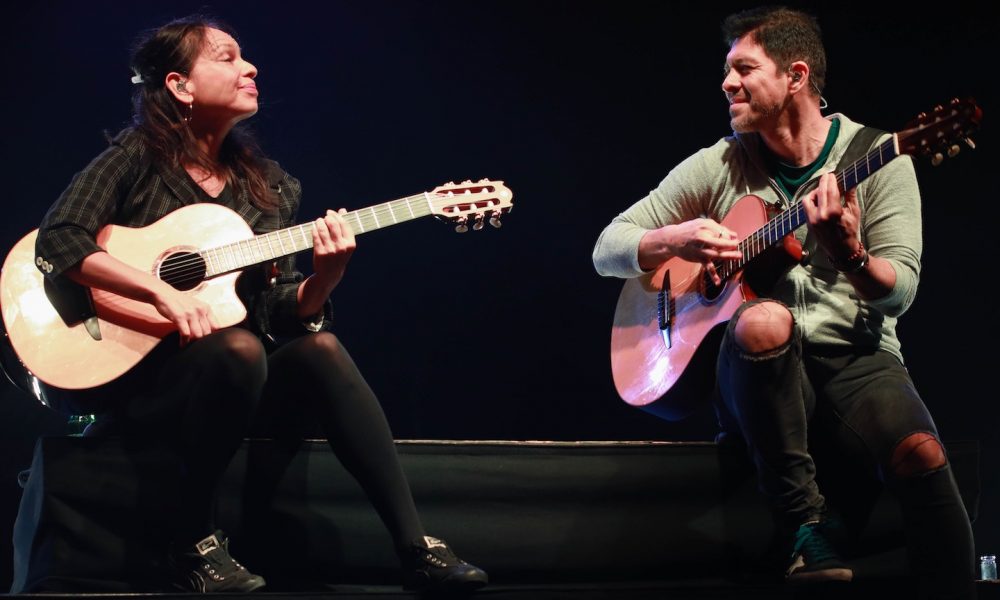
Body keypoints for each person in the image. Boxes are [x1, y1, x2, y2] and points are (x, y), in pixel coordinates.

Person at [32, 15, 488, 594]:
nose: (249, 68)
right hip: (138, 376)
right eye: (225, 57)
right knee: (240, 349)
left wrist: (327, 277)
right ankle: (192, 541)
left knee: (318, 347)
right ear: (179, 85)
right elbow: (60, 239)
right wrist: (161, 293)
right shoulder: (135, 157)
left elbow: (276, 310)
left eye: (244, 58)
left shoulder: (269, 187)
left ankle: (415, 546)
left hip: (228, 378)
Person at [592, 6, 975, 598]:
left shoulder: (881, 158)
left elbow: (898, 292)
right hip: (754, 365)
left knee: (922, 455)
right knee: (765, 321)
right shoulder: (722, 161)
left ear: (795, 76)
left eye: (744, 68)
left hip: (857, 356)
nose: (726, 83)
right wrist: (678, 237)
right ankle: (804, 527)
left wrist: (849, 252)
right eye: (727, 70)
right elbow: (606, 247)